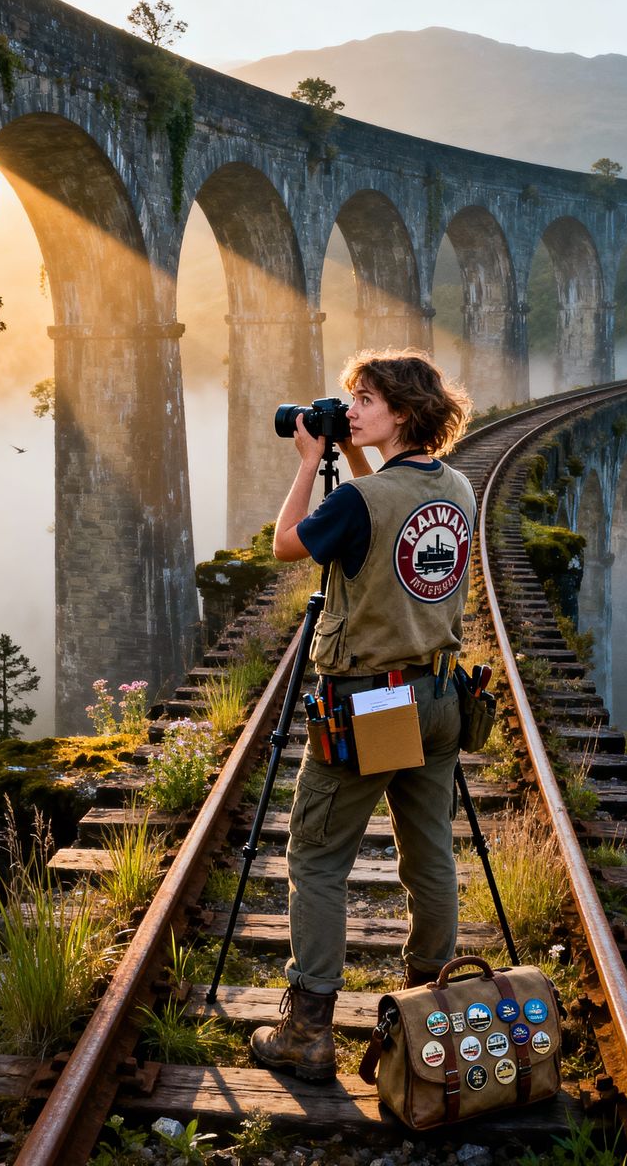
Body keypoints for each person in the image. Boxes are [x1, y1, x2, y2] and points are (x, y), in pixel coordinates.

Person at [251, 348, 475, 1082]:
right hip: (442, 697)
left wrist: (306, 464)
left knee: (315, 859)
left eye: (367, 399)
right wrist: (348, 447)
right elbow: (395, 511)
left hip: (377, 701)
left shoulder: (355, 501)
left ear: (403, 412)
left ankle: (308, 1029)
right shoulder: (458, 488)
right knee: (428, 852)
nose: (352, 408)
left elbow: (286, 547)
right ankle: (430, 1009)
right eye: (351, 397)